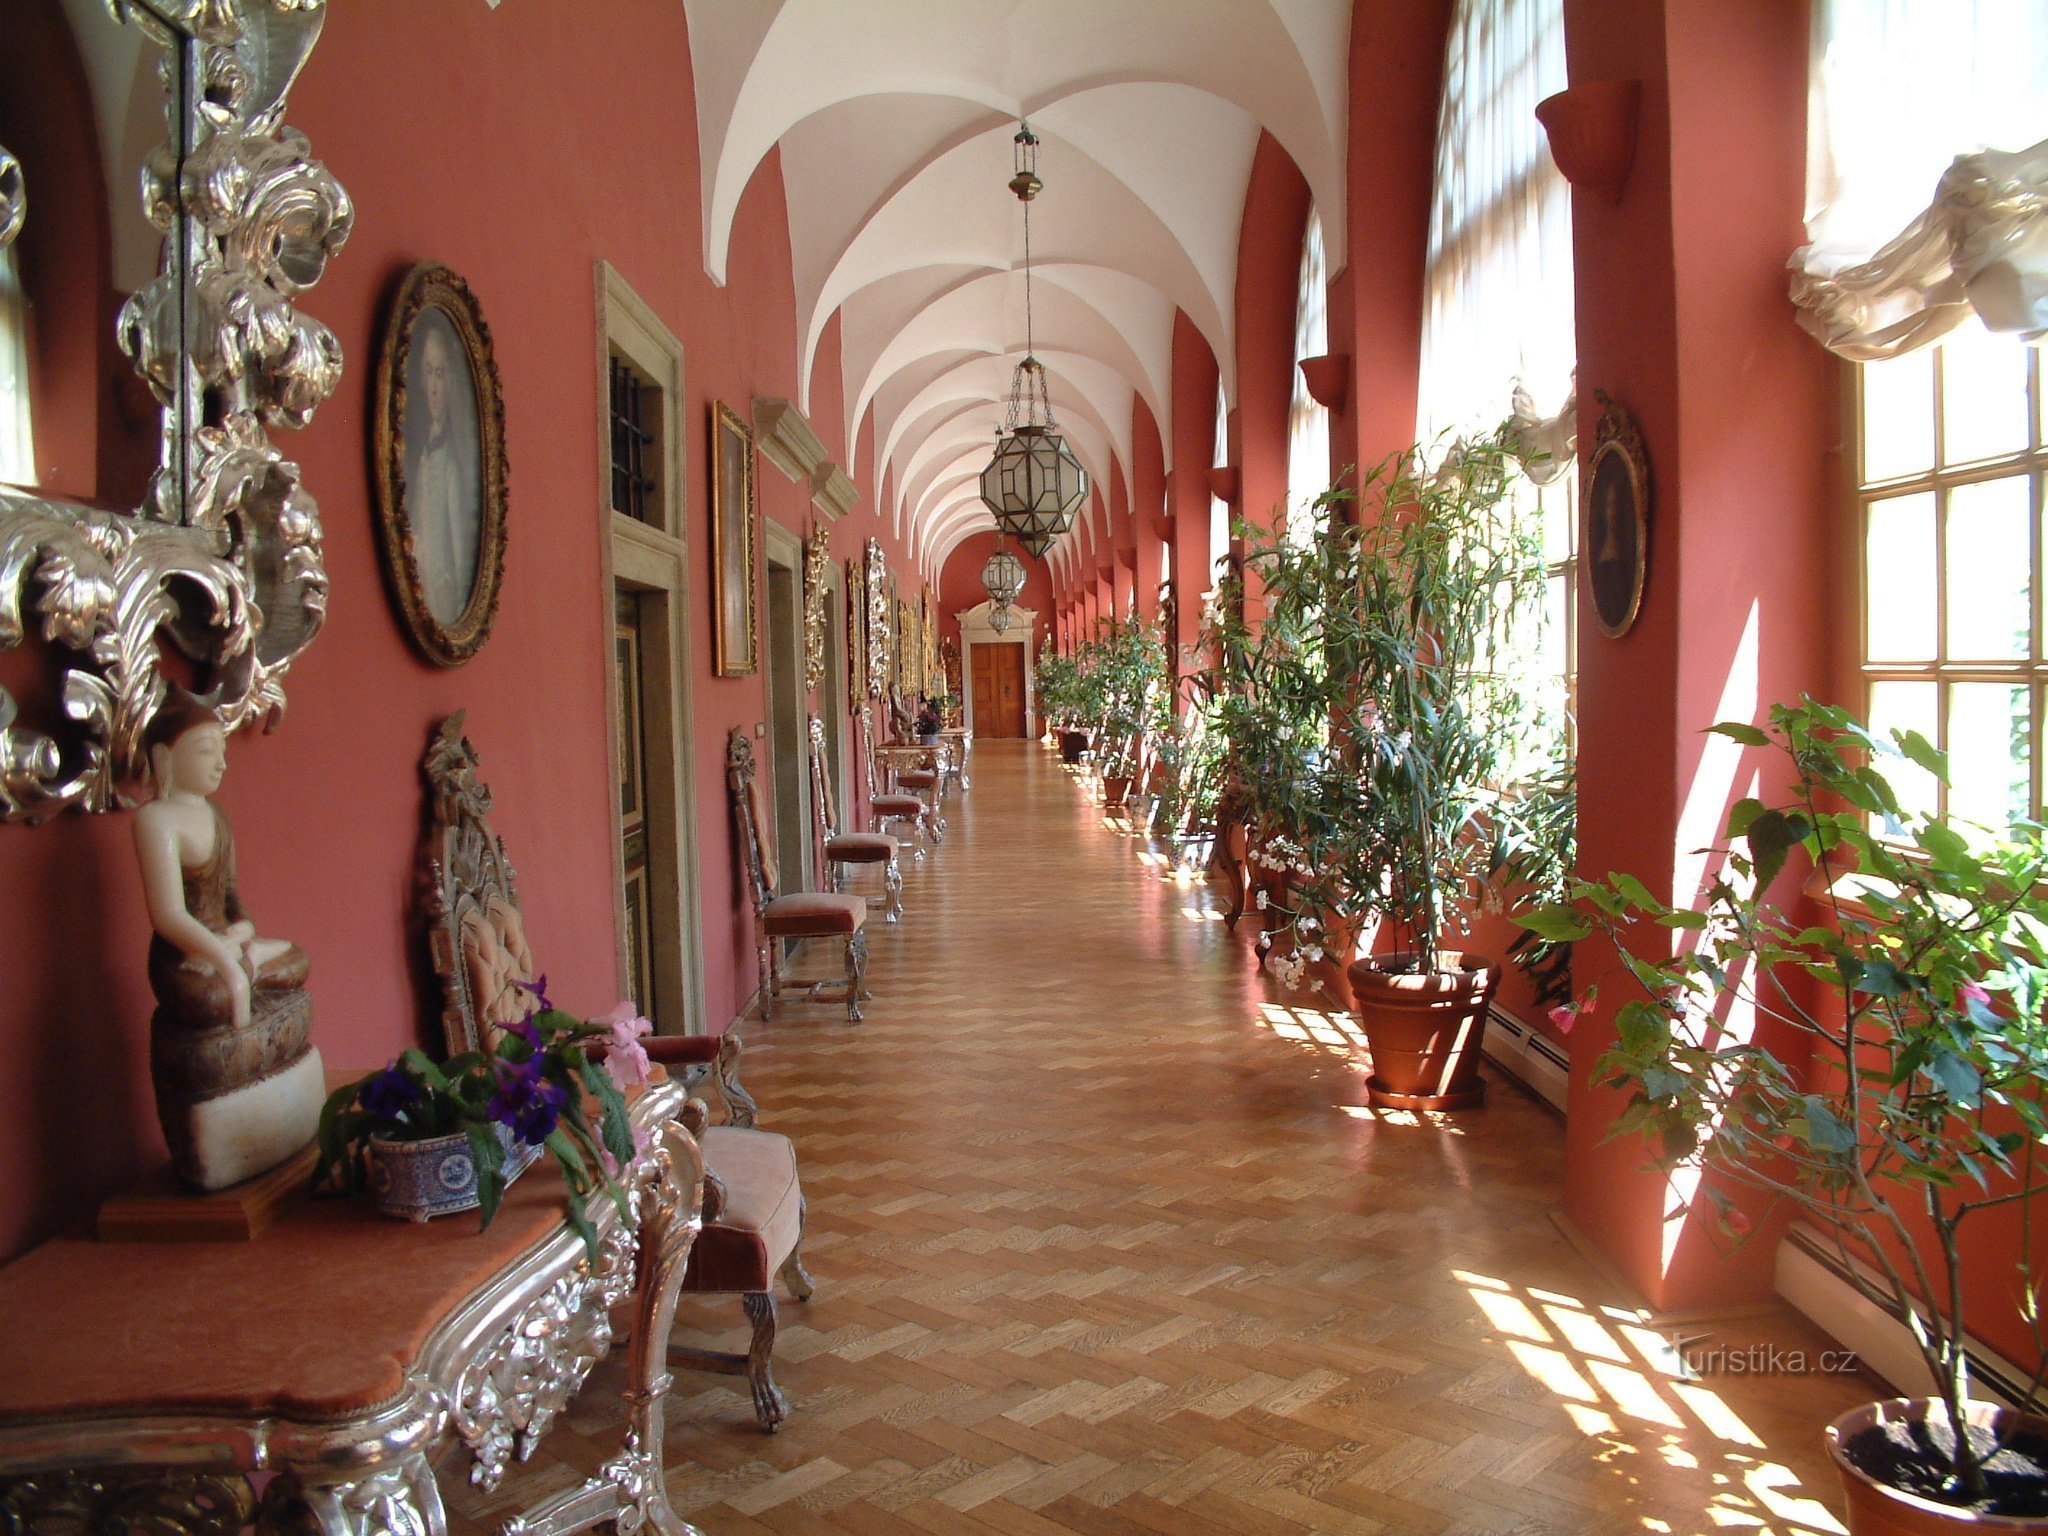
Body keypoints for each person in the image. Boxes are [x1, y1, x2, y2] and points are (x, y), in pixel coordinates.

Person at [133, 696, 322, 1190]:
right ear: (163, 758)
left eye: (221, 750)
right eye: (204, 750)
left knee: (298, 964)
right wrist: (224, 962)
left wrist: (240, 941)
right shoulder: (156, 821)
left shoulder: (217, 816)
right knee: (212, 1001)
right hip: (185, 959)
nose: (220, 761)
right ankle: (244, 974)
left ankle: (250, 968)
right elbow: (169, 916)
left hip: (229, 947)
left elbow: (234, 902)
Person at [407, 319, 480, 625]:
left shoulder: (451, 463)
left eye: (440, 374)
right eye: (428, 372)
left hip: (441, 600)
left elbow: (464, 558)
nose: (434, 388)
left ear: (451, 382)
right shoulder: (423, 450)